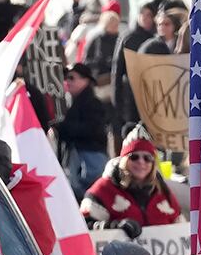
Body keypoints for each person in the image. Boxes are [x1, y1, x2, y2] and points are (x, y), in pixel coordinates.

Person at [82, 130, 185, 230]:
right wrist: (114, 226)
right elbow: (83, 226)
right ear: (124, 160)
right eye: (134, 157)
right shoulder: (102, 189)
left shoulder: (162, 190)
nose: (141, 162)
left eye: (147, 158)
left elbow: (182, 230)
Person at [54, 61, 111, 198]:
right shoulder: (74, 102)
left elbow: (92, 129)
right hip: (81, 159)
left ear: (86, 80)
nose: (68, 81)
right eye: (66, 77)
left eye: (72, 77)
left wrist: (63, 127)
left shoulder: (92, 103)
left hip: (88, 160)